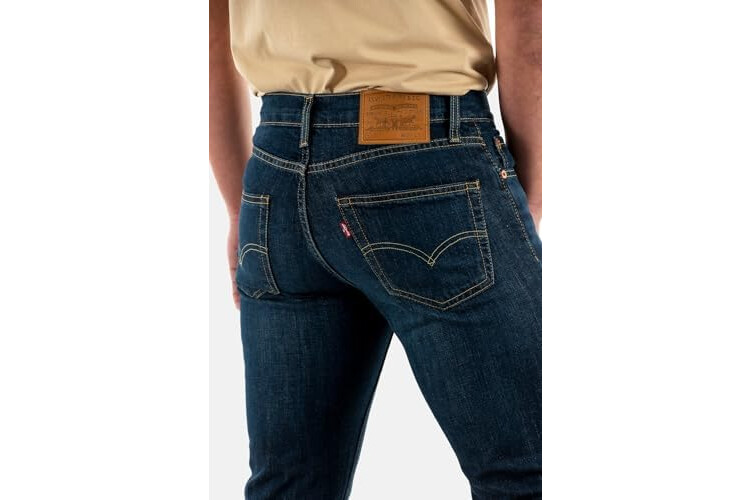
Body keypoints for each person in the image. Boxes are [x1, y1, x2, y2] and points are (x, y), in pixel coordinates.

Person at [209, 1, 541, 498]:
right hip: (428, 149)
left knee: (290, 487)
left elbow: (210, 31)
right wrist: (530, 196)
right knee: (533, 469)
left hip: (275, 167)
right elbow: (526, 18)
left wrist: (241, 208)